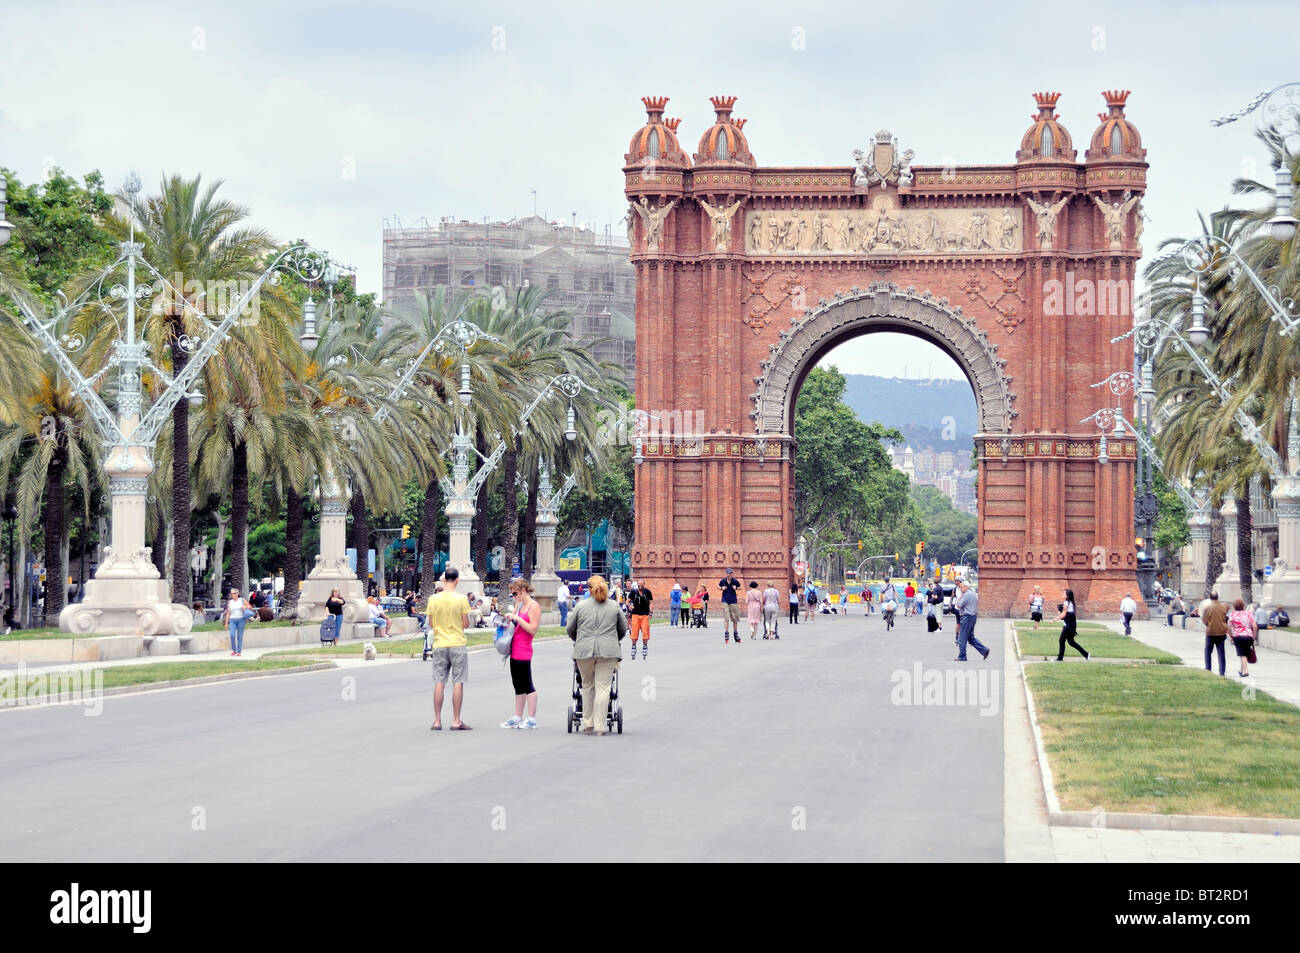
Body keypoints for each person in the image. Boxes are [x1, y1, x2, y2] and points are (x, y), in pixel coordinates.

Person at [568, 574, 626, 735]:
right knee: (603, 687)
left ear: (588, 589)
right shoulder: (614, 606)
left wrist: (579, 640)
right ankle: (600, 726)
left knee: (586, 686)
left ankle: (588, 724)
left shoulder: (580, 606)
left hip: (584, 651)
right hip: (608, 651)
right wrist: (613, 640)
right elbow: (622, 629)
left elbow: (570, 629)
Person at [426, 566, 472, 730]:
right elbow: (466, 623)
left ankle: (437, 721)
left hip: (439, 643)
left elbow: (431, 623)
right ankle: (456, 720)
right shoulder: (461, 599)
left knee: (439, 682)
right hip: (457, 643)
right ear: (457, 580)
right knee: (458, 682)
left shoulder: (433, 598)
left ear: (444, 579)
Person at [500, 577, 541, 729]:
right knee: (517, 685)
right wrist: (510, 617)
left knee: (527, 684)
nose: (514, 597)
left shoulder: (533, 606)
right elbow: (514, 623)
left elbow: (533, 629)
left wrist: (517, 618)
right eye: (512, 594)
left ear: (523, 591)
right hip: (514, 649)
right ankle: (517, 716)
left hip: (524, 649)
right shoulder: (520, 604)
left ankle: (531, 718)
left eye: (515, 594)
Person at [954, 580, 990, 661]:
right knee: (970, 637)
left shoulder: (965, 595)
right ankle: (984, 650)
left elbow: (959, 605)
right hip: (973, 617)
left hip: (966, 616)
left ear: (967, 587)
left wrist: (959, 598)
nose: (960, 588)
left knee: (962, 637)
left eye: (961, 587)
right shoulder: (974, 594)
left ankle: (962, 656)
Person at [1200, 590, 1229, 677]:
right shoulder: (1224, 607)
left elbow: (1204, 620)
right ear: (1217, 597)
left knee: (1208, 651)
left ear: (1210, 597)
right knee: (1221, 653)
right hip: (1221, 632)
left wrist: (1209, 624)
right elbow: (1226, 617)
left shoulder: (1207, 608)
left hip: (1211, 632)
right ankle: (1222, 672)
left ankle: (1208, 669)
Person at [1054, 589, 1090, 662]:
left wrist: (1054, 619)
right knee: (1071, 642)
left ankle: (1060, 658)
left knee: (1061, 640)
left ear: (1067, 595)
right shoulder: (1069, 602)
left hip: (1067, 626)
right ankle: (1086, 654)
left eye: (1063, 593)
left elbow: (1064, 615)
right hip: (1069, 625)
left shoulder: (1067, 602)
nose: (1062, 594)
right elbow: (1066, 614)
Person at [1228, 597, 1258, 679]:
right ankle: (1241, 670)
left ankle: (1245, 671)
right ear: (1243, 605)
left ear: (1234, 606)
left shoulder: (1232, 614)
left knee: (1242, 654)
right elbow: (1255, 626)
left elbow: (1228, 627)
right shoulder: (1249, 614)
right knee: (1244, 653)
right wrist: (1253, 637)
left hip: (1238, 636)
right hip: (1248, 636)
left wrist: (1231, 635)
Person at [627, 579, 654, 659]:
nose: (640, 587)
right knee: (634, 632)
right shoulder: (633, 592)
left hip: (645, 614)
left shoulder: (648, 592)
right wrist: (630, 606)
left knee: (645, 631)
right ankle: (633, 646)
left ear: (644, 585)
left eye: (642, 586)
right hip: (635, 614)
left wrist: (650, 612)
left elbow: (651, 602)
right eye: (639, 586)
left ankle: (645, 646)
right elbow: (627, 601)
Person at [222, 587, 252, 657]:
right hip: (233, 620)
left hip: (241, 619)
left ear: (238, 594)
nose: (233, 595)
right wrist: (226, 623)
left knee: (239, 636)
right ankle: (234, 650)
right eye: (232, 594)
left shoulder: (242, 600)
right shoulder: (230, 602)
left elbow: (250, 607)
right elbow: (228, 613)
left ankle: (239, 651)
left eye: (234, 593)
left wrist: (246, 607)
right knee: (232, 635)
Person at [718, 569, 743, 643]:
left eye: (731, 573)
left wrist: (736, 588)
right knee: (726, 618)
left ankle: (736, 635)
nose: (730, 575)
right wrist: (722, 588)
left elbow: (740, 587)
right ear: (726, 574)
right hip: (725, 600)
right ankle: (726, 635)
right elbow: (718, 586)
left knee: (735, 619)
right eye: (729, 573)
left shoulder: (735, 581)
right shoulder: (723, 581)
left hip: (733, 601)